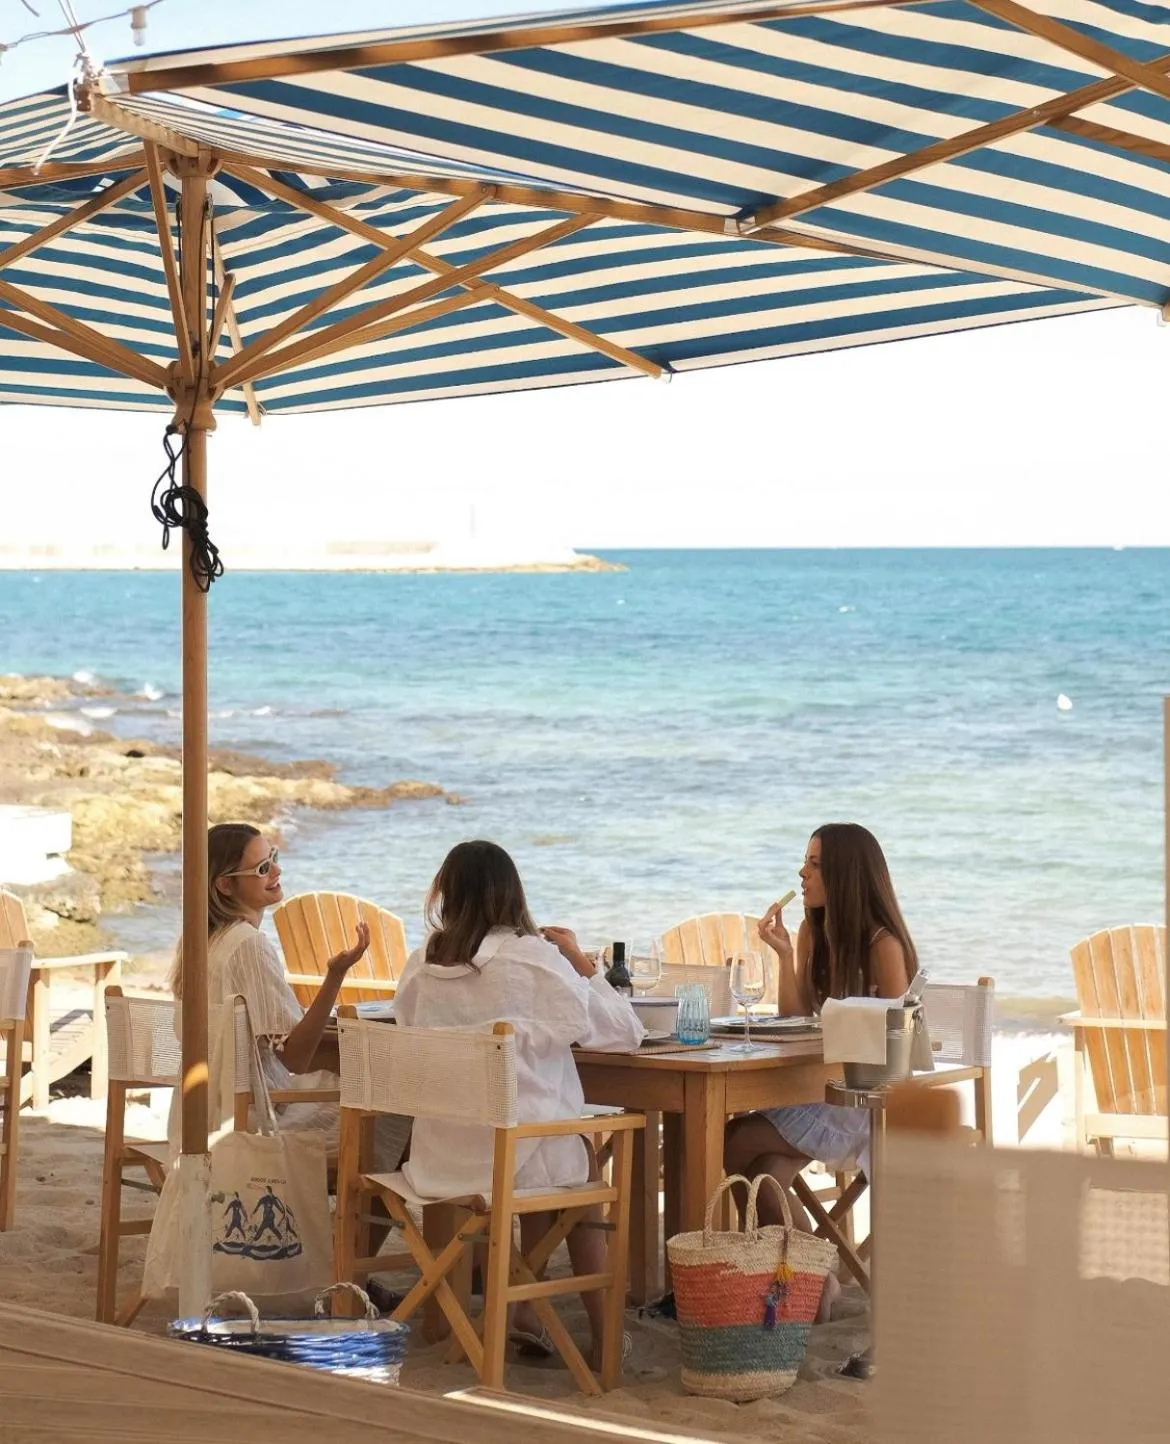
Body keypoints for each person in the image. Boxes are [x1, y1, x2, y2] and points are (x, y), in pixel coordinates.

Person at [392, 839, 645, 1367]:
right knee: (576, 1170)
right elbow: (625, 1031)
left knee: (542, 1137)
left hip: (441, 1159)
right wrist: (581, 960)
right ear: (513, 894)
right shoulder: (534, 958)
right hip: (514, 1157)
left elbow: (407, 1030)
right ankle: (603, 1332)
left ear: (446, 895)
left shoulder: (422, 964)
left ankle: (527, 1315)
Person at [723, 823, 916, 1313]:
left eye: (813, 864)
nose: (802, 872)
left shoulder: (882, 944)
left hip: (864, 1101)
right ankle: (816, 1279)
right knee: (762, 1172)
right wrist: (786, 954)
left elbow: (899, 1047)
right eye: (804, 862)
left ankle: (812, 1270)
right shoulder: (814, 930)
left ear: (845, 875)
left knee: (731, 1144)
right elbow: (795, 1016)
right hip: (818, 1090)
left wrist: (846, 1036)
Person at [166, 822, 409, 1168]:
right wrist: (335, 974)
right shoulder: (248, 946)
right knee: (396, 1100)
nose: (277, 870)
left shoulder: (201, 945)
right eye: (262, 868)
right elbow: (295, 1056)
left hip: (206, 1115)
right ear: (225, 885)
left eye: (274, 857)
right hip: (261, 1121)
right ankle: (374, 1219)